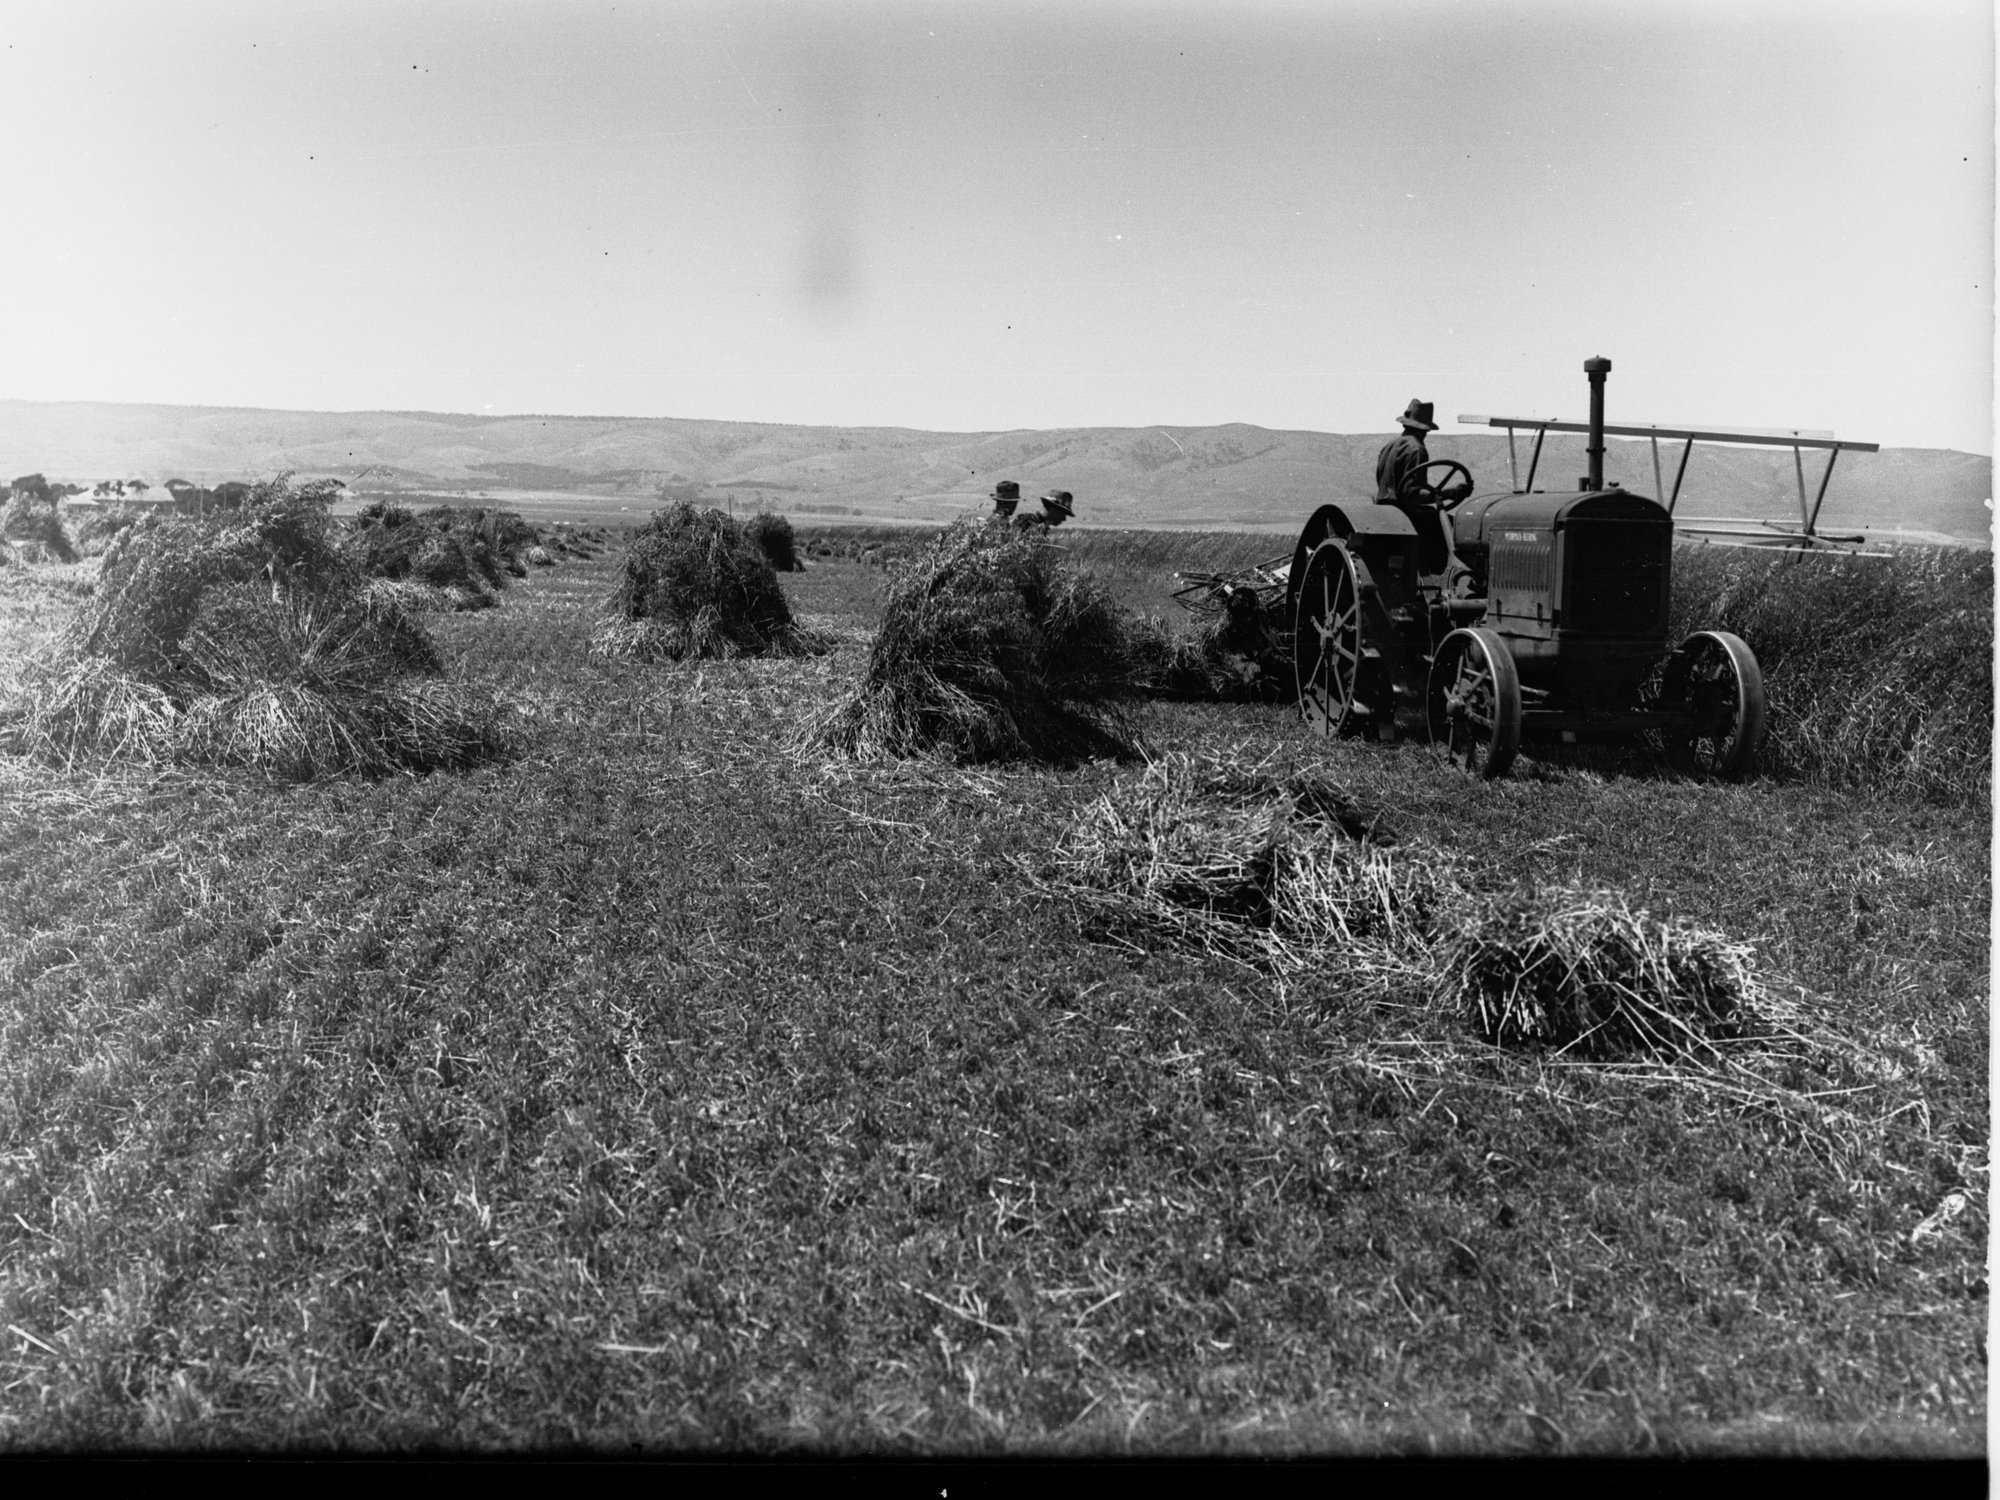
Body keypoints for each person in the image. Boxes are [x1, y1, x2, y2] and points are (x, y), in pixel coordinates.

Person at [1375, 399, 1436, 502]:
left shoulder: (1389, 446)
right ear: (1425, 429)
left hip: (1386, 510)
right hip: (1404, 509)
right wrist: (1448, 493)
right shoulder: (1416, 449)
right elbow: (1412, 494)